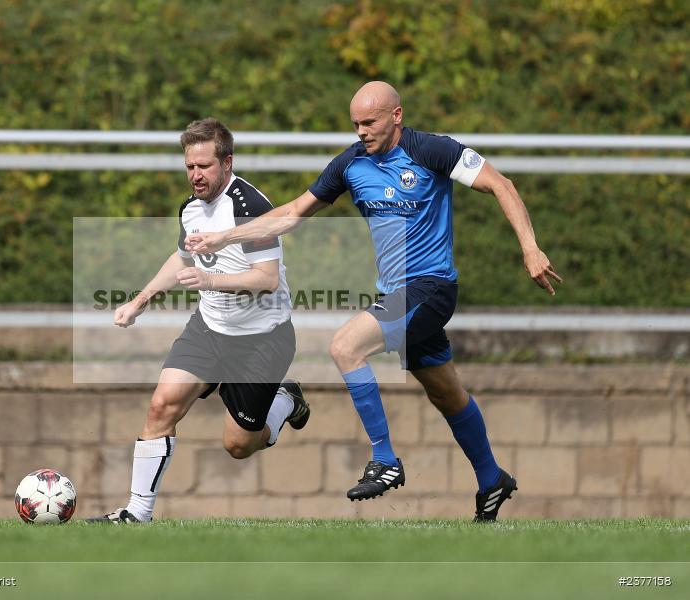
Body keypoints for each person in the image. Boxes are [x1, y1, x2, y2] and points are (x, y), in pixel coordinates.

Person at [186, 82, 562, 522]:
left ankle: (385, 459)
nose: (361, 131)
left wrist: (530, 247)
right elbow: (292, 212)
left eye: (370, 122)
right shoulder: (351, 163)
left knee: (346, 346)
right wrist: (224, 235)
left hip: (431, 288)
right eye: (355, 124)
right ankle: (491, 479)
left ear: (396, 116)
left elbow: (502, 184)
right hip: (396, 293)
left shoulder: (433, 151)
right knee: (446, 393)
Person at [87, 117, 310, 524]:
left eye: (204, 166)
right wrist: (140, 300)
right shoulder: (190, 208)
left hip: (262, 340)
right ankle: (137, 513)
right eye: (190, 166)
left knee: (239, 445)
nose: (195, 175)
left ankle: (285, 400)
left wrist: (209, 279)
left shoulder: (251, 209)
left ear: (227, 163)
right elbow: (183, 259)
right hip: (208, 330)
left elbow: (266, 279)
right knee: (161, 405)